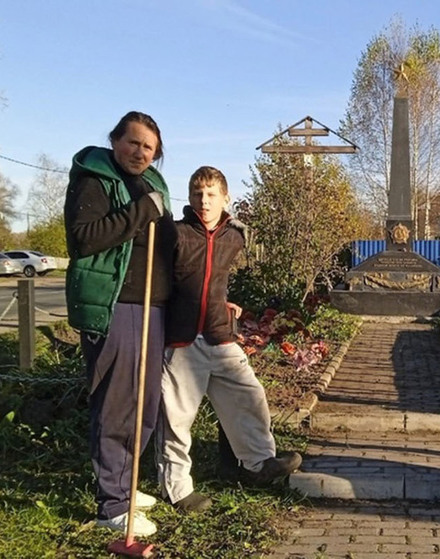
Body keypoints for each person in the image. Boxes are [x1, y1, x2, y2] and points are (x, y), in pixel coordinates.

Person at [156, 166, 302, 513]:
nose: (203, 202)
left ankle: (258, 464)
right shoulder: (174, 235)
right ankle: (175, 489)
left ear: (225, 198)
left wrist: (221, 302)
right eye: (197, 195)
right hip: (182, 341)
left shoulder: (234, 236)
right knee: (176, 420)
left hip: (221, 335)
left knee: (249, 396)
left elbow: (212, 277)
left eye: (210, 195)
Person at [64, 111, 176, 536]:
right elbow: (83, 239)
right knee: (116, 402)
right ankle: (111, 503)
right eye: (133, 142)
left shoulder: (154, 185)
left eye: (149, 147)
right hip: (117, 304)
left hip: (154, 307)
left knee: (144, 402)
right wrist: (139, 212)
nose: (140, 152)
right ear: (115, 141)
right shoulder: (95, 178)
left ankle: (126, 483)